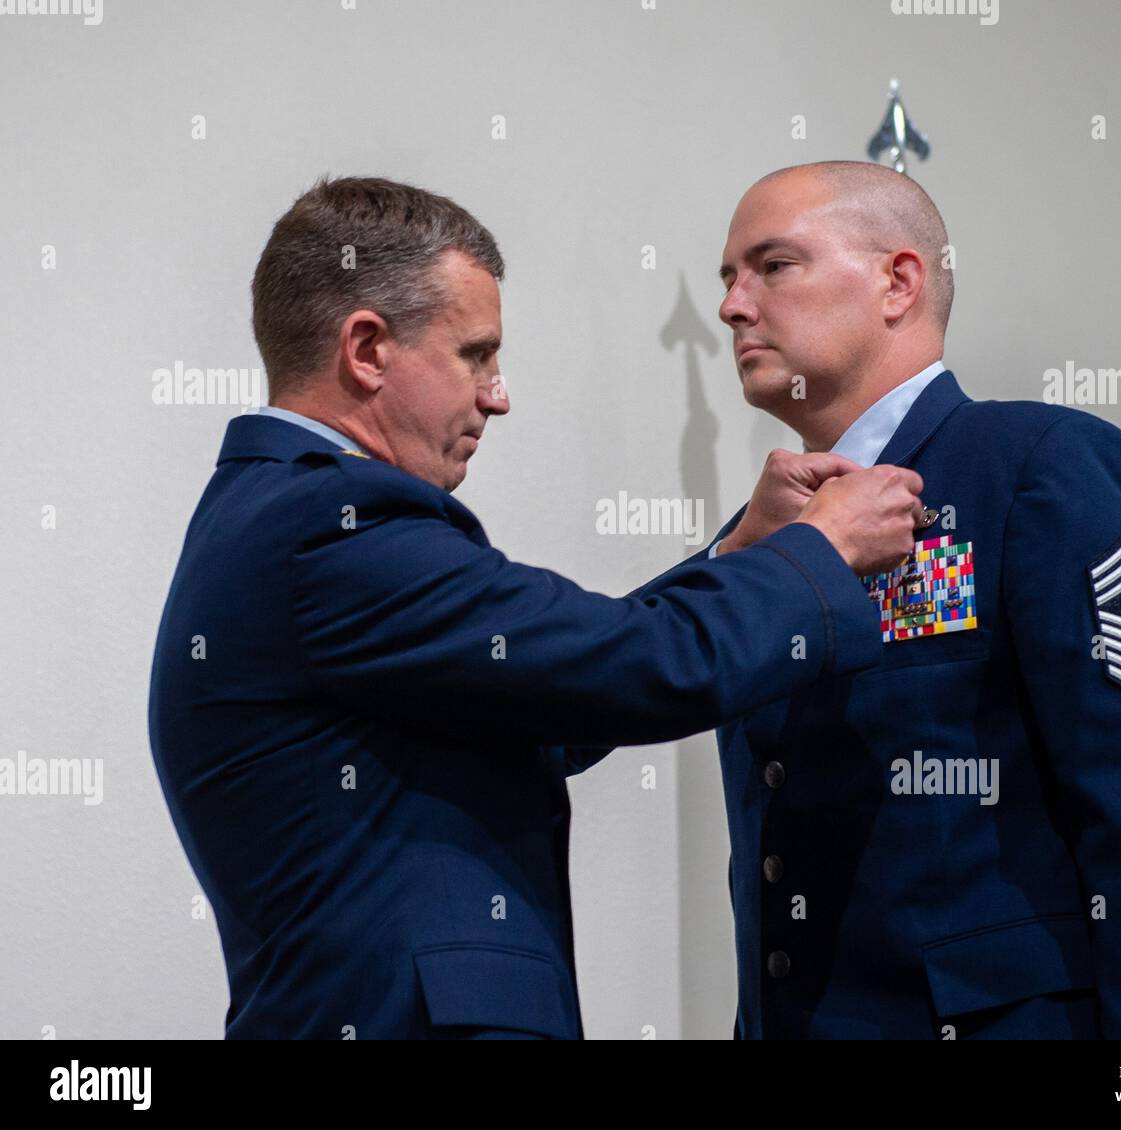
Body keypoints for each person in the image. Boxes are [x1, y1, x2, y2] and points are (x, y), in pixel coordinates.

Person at [147, 175, 924, 1039]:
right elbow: (639, 666)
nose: (498, 394)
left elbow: (552, 708)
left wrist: (737, 556)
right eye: (474, 355)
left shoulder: (276, 518)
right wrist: (822, 553)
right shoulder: (330, 528)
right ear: (366, 349)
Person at [603, 161, 1121, 1039]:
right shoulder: (771, 533)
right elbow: (631, 665)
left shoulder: (1035, 465)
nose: (732, 306)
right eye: (727, 279)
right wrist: (736, 554)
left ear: (897, 282)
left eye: (773, 266)